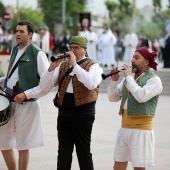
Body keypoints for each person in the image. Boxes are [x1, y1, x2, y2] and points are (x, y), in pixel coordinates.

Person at [40, 35, 103, 170]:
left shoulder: (94, 66)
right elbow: (45, 84)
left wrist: (75, 64)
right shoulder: (62, 65)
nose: (72, 50)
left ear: (84, 50)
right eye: (71, 47)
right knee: (63, 152)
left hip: (83, 113)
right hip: (64, 112)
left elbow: (91, 83)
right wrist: (51, 68)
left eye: (76, 48)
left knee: (83, 152)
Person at [0, 20, 50, 170]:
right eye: (16, 31)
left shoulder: (38, 54)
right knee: (3, 143)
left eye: (21, 31)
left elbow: (47, 84)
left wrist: (26, 94)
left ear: (30, 34)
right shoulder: (15, 49)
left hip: (27, 104)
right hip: (8, 102)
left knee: (23, 145)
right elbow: (12, 76)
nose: (17, 34)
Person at [107, 46, 163, 170]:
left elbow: (141, 96)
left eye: (136, 58)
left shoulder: (154, 80)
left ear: (146, 62)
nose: (132, 60)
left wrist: (128, 77)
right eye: (132, 57)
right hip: (124, 129)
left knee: (138, 167)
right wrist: (114, 82)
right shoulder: (130, 79)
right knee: (118, 165)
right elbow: (113, 98)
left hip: (142, 131)